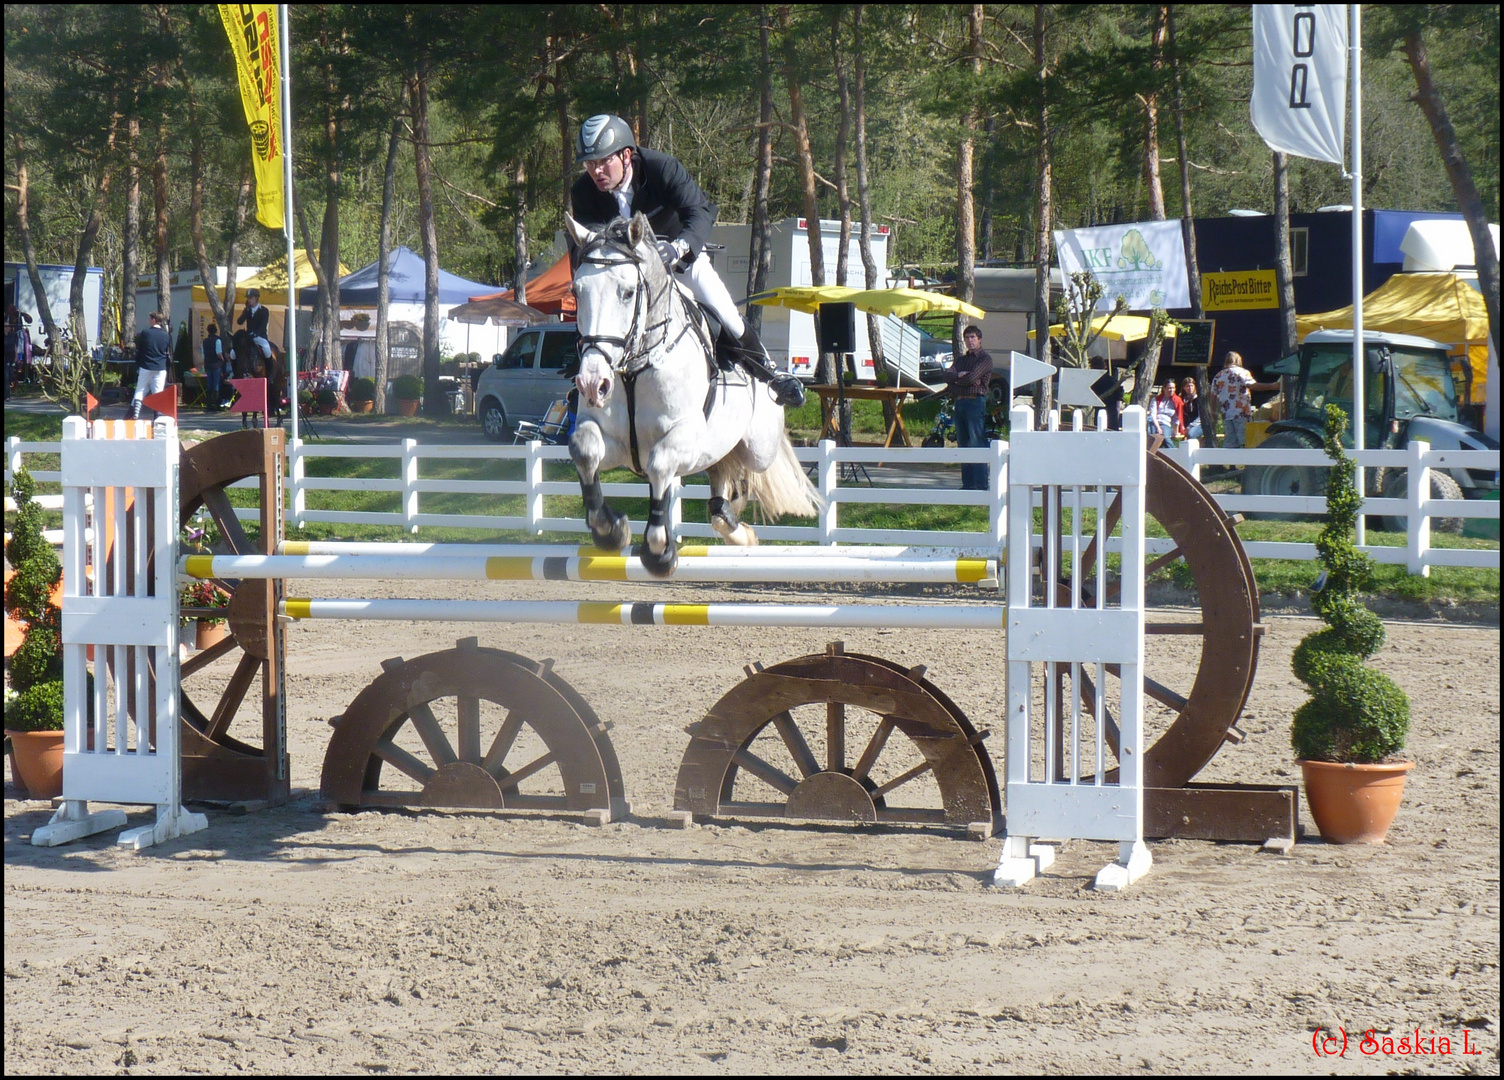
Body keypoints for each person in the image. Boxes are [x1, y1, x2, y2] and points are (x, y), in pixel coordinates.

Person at [569, 113, 805, 408]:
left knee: (725, 312)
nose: (596, 171)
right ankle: (583, 383)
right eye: (590, 164)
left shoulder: (662, 168)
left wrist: (679, 248)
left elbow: (699, 212)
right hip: (625, 280)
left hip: (678, 264)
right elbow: (585, 246)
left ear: (626, 155)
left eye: (604, 161)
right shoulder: (583, 191)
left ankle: (769, 373)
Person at [938, 324, 994, 490]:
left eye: (973, 338)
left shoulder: (985, 359)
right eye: (967, 338)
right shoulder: (961, 360)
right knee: (963, 443)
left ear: (979, 339)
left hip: (975, 402)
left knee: (976, 442)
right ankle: (968, 484)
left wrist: (960, 379)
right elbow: (947, 376)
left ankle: (981, 483)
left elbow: (972, 379)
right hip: (960, 402)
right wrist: (957, 377)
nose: (970, 341)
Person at [1210, 350, 1280, 449]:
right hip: (1241, 412)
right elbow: (1253, 385)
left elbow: (1213, 395)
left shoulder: (1218, 375)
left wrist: (1213, 412)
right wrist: (1273, 386)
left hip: (1226, 413)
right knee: (1244, 440)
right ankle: (1244, 463)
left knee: (1230, 441)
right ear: (1238, 360)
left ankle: (1231, 464)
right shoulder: (1242, 372)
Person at [130, 311, 172, 420]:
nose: (148, 321)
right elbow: (166, 351)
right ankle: (157, 417)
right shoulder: (166, 336)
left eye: (150, 319)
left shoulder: (145, 333)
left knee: (140, 389)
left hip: (146, 365)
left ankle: (135, 414)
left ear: (154, 319)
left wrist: (137, 363)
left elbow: (140, 349)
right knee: (158, 392)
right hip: (161, 367)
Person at [237, 287, 273, 360]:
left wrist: (256, 333)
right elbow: (239, 322)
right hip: (248, 336)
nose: (249, 300)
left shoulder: (264, 310)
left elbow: (263, 325)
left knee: (267, 349)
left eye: (250, 298)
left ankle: (269, 369)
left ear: (256, 298)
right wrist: (246, 311)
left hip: (260, 336)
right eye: (248, 298)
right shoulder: (247, 309)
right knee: (233, 353)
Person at [1148, 380, 1182, 446]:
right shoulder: (1156, 399)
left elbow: (1177, 417)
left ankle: (1174, 453)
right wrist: (1158, 427)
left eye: (1173, 388)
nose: (1171, 390)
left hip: (1165, 424)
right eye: (1169, 388)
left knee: (1165, 438)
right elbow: (1153, 415)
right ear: (1164, 388)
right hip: (1154, 423)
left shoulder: (1176, 401)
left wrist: (1176, 431)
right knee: (1151, 437)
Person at [202, 322, 227, 409]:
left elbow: (203, 355)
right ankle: (216, 404)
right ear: (216, 331)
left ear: (208, 331)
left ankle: (208, 404)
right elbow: (218, 353)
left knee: (209, 384)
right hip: (216, 365)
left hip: (208, 364)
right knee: (216, 384)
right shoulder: (218, 340)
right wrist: (223, 360)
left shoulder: (204, 341)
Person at [1180, 375, 1203, 440]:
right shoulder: (1182, 400)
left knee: (1191, 434)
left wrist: (1190, 426)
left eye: (1191, 386)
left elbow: (1200, 417)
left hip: (1198, 425)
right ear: (1184, 388)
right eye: (1187, 386)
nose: (1190, 388)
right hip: (1186, 426)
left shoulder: (1198, 399)